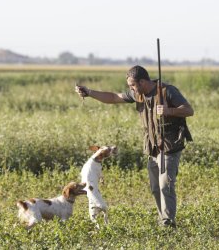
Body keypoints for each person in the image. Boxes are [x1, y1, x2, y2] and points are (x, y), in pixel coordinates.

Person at [75, 65, 194, 228]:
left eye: (132, 85)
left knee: (165, 184)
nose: (130, 88)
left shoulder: (168, 91)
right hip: (152, 147)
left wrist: (169, 110)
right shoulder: (138, 94)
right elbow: (113, 97)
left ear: (143, 82)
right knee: (155, 187)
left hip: (169, 145)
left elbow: (188, 110)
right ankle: (163, 219)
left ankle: (168, 222)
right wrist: (89, 92)